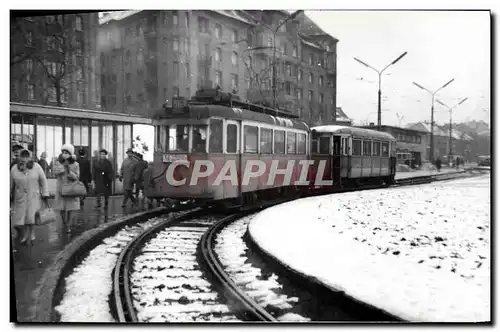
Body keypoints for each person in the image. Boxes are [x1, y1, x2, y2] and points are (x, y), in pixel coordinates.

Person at [10, 149, 49, 244]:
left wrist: (45, 193)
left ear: (30, 157)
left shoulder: (36, 167)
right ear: (19, 157)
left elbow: (43, 181)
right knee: (21, 217)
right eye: (22, 156)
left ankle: (31, 234)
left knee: (31, 216)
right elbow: (10, 182)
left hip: (33, 196)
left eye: (27, 156)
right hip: (20, 197)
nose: (25, 158)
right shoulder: (14, 168)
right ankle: (26, 234)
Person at [53, 144, 80, 232]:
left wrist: (69, 171)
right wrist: (62, 167)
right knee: (62, 208)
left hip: (71, 188)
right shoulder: (58, 162)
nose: (64, 154)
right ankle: (65, 223)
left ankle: (68, 225)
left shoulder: (75, 164)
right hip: (61, 188)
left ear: (71, 154)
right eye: (63, 152)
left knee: (71, 208)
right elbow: (55, 173)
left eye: (67, 152)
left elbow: (77, 177)